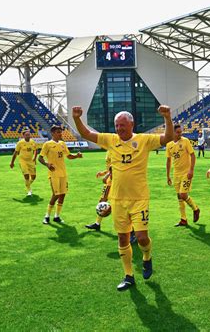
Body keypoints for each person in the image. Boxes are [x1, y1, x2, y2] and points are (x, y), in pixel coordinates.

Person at [72, 105, 173, 291]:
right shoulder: (110, 140)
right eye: (117, 125)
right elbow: (86, 133)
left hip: (139, 198)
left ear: (131, 124)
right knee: (122, 239)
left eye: (122, 125)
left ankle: (147, 257)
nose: (119, 129)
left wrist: (167, 117)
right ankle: (128, 276)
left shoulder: (144, 140)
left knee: (142, 238)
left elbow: (167, 138)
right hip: (117, 199)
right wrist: (77, 118)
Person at [38, 125, 82, 225]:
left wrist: (77, 156)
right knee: (55, 194)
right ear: (52, 133)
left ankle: (57, 216)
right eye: (58, 132)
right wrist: (46, 164)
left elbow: (69, 156)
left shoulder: (62, 144)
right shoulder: (47, 144)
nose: (60, 134)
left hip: (63, 173)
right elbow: (40, 158)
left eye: (61, 132)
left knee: (62, 194)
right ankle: (47, 216)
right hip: (53, 173)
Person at [166, 124, 200, 226]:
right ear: (173, 132)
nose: (180, 134)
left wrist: (191, 170)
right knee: (179, 197)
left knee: (183, 194)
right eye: (178, 132)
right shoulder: (169, 145)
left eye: (181, 132)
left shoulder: (185, 141)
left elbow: (193, 155)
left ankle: (196, 209)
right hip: (176, 174)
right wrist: (168, 176)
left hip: (186, 173)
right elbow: (168, 161)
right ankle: (183, 219)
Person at [85, 151, 113, 231]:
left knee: (119, 204)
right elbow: (109, 168)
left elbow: (116, 166)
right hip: (109, 181)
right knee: (102, 201)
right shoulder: (109, 151)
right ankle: (97, 224)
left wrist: (107, 175)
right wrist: (103, 173)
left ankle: (132, 230)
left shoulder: (115, 149)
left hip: (114, 181)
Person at [10, 129, 38, 196]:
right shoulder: (20, 143)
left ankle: (27, 184)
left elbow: (35, 150)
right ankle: (29, 190)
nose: (28, 136)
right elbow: (15, 153)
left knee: (34, 177)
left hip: (31, 161)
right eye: (26, 135)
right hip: (23, 161)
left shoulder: (32, 142)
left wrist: (34, 157)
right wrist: (12, 162)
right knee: (26, 175)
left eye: (29, 134)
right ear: (23, 136)